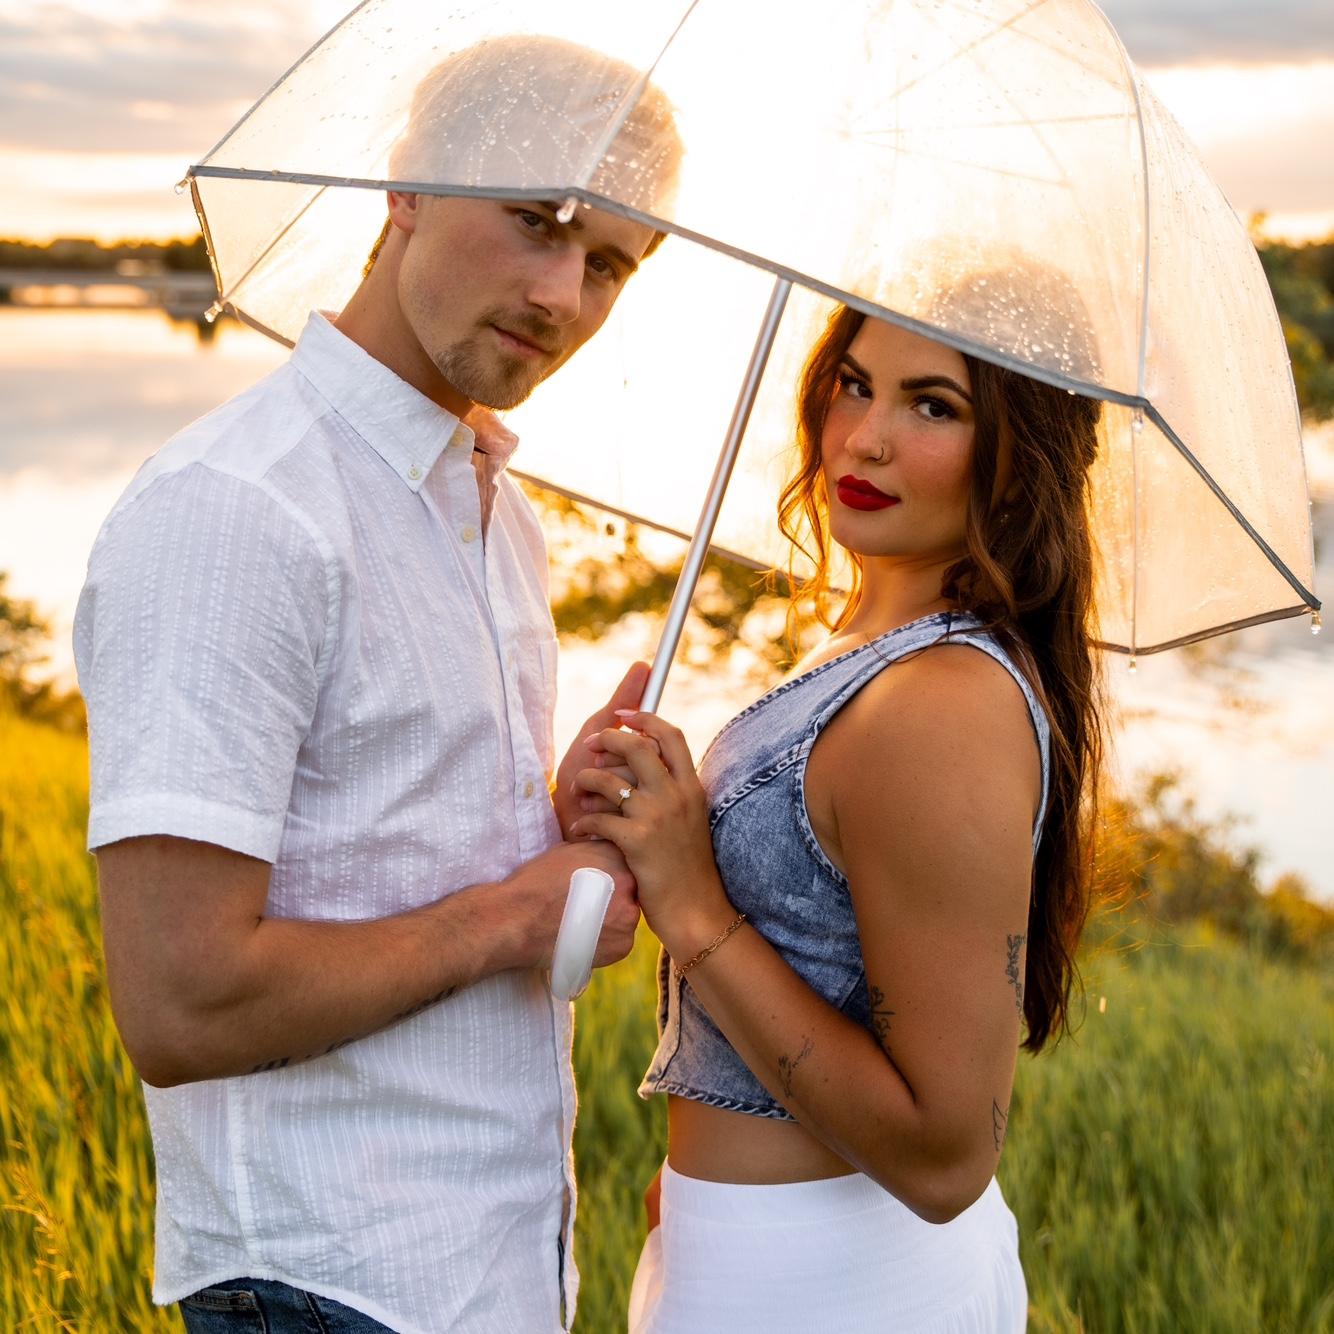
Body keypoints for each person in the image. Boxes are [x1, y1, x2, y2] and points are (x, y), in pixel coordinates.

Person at [73, 35, 681, 1334]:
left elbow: (389, 843)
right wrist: (514, 915)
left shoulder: (498, 519)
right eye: (537, 221)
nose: (562, 295)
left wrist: (554, 822)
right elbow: (179, 1000)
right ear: (406, 187)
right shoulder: (239, 509)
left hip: (493, 1270)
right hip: (328, 1286)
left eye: (608, 265)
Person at [570, 295, 1105, 1331]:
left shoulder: (940, 703)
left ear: (1018, 455)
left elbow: (945, 1156)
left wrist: (692, 902)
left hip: (834, 1283)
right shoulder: (865, 655)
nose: (865, 437)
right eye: (854, 385)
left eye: (933, 405)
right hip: (755, 1254)